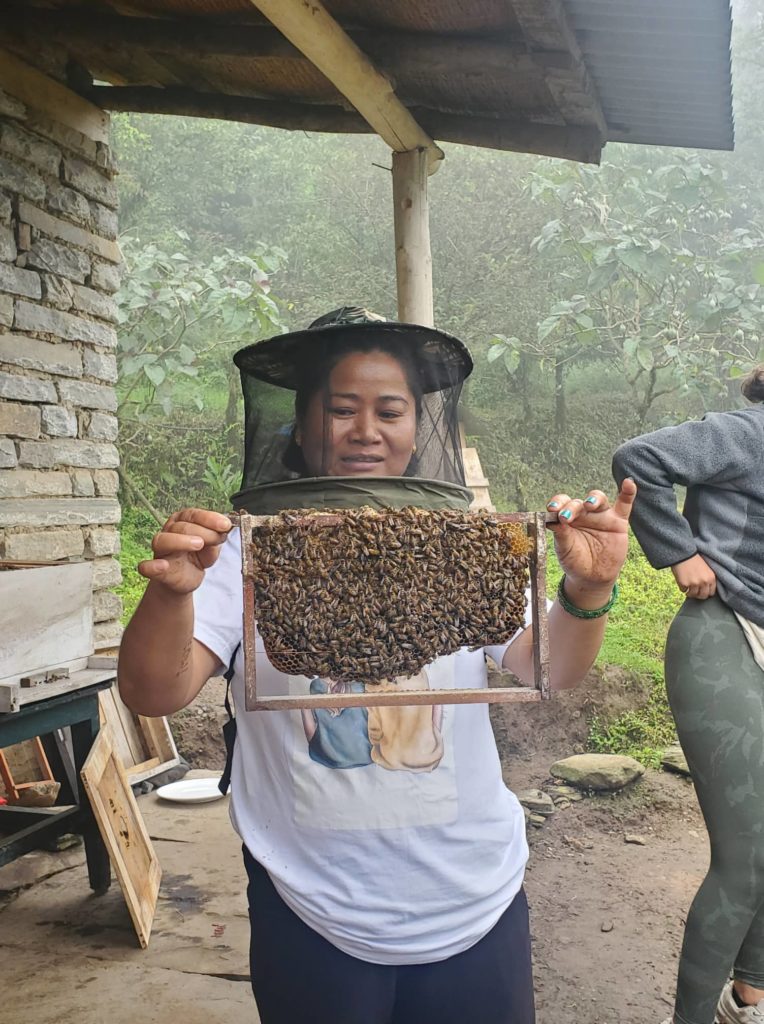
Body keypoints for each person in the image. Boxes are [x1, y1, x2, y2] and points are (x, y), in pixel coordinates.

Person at [119, 308, 635, 1024]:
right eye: (342, 409)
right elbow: (152, 692)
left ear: (417, 429)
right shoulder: (240, 552)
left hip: (474, 889)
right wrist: (172, 592)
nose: (366, 429)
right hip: (311, 898)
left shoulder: (460, 544)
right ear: (301, 428)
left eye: (390, 411)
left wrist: (589, 589)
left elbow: (549, 666)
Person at [612, 365, 764, 1024]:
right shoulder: (748, 435)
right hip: (724, 633)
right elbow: (639, 459)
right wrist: (678, 551)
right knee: (747, 857)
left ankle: (748, 997)